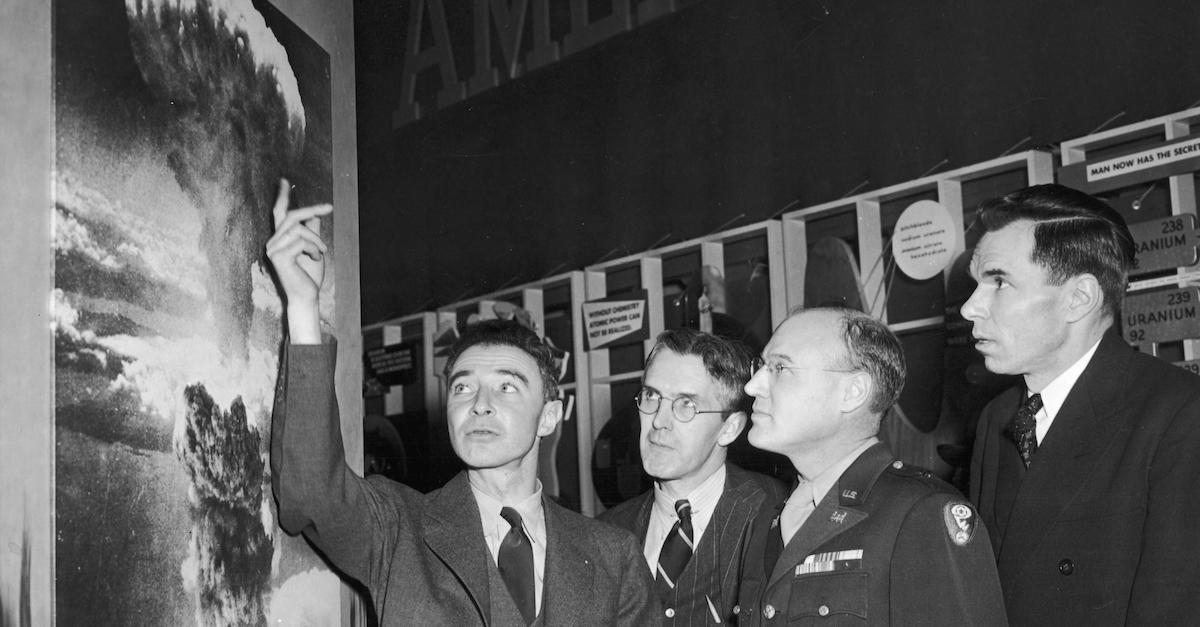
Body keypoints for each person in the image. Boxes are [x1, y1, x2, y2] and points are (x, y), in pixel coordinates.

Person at [265, 182, 656, 626]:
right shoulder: (399, 527)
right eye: (463, 388)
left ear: (548, 416)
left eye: (507, 387)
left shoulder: (612, 556)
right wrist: (302, 304)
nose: (480, 405)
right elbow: (311, 490)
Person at [964, 183, 1200, 625]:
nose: (969, 308)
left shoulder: (1179, 417)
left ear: (1079, 298)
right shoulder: (997, 419)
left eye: (998, 281)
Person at [734, 307, 1006, 625]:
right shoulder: (769, 517)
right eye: (761, 366)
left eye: (780, 368)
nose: (752, 386)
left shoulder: (920, 513)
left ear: (853, 393)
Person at [597, 329, 786, 625]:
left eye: (686, 404)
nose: (658, 421)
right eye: (651, 396)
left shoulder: (779, 513)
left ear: (730, 428)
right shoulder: (604, 533)